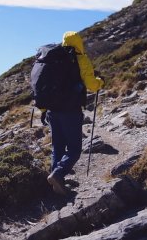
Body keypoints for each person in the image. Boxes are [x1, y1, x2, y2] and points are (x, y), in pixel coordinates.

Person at [46, 31, 104, 195]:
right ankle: (58, 174)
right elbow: (92, 85)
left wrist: (44, 110)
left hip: (52, 110)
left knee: (57, 146)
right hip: (70, 110)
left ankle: (56, 181)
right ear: (78, 42)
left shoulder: (52, 59)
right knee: (74, 149)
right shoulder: (80, 58)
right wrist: (101, 82)